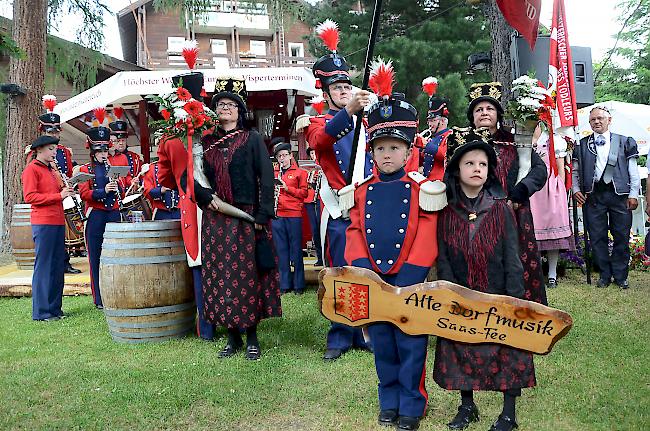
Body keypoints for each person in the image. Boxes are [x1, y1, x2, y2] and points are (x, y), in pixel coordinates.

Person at [344, 83, 447, 431]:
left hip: (409, 282)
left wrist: (410, 277)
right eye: (380, 148)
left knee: (411, 344)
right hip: (373, 280)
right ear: (372, 152)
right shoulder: (361, 192)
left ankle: (412, 403)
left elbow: (427, 235)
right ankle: (388, 399)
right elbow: (355, 231)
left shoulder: (423, 189)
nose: (387, 154)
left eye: (395, 147)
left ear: (408, 152)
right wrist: (363, 271)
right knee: (383, 344)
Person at [435, 131, 533, 431]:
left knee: (507, 347)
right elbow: (443, 255)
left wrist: (514, 298)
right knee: (462, 343)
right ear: (456, 170)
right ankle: (467, 405)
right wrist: (451, 291)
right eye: (470, 163)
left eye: (483, 164)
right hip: (461, 291)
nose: (477, 168)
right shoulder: (446, 211)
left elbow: (512, 255)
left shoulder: (500, 208)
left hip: (498, 291)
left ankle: (508, 413)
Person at [298, 19, 373, 361]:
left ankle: (364, 330)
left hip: (366, 204)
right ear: (326, 93)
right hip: (337, 206)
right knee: (339, 270)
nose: (344, 91)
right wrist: (348, 112)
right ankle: (340, 335)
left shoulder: (369, 122)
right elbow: (321, 140)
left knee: (365, 270)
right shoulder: (317, 121)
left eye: (347, 86)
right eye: (337, 88)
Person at [194, 76, 281, 360]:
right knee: (221, 277)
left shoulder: (252, 139)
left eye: (232, 104)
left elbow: (266, 178)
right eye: (221, 104)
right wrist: (202, 195)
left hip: (246, 217)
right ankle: (231, 338)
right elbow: (193, 176)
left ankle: (252, 336)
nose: (226, 108)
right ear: (215, 110)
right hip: (217, 218)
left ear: (240, 111)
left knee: (247, 278)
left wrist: (262, 213)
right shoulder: (204, 143)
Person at [461, 82, 548, 305]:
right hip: (473, 217)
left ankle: (522, 316)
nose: (484, 113)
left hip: (514, 214)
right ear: (472, 116)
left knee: (516, 266)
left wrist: (520, 193)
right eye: (478, 110)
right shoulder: (462, 142)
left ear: (498, 114)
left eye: (489, 109)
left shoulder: (514, 140)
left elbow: (539, 170)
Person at [157, 68, 215, 341]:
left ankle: (205, 327)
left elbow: (164, 177)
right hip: (218, 202)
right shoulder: (213, 126)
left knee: (199, 263)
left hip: (189, 205)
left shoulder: (169, 136)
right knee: (221, 260)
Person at [572, 106, 640, 289]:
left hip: (619, 195)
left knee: (622, 236)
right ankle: (604, 275)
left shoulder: (625, 142)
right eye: (593, 119)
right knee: (597, 237)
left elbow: (633, 170)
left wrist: (634, 193)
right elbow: (575, 171)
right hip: (593, 195)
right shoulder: (581, 144)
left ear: (609, 120)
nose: (597, 122)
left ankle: (620, 276)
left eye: (600, 118)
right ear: (589, 122)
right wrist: (575, 189)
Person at [25, 95, 81, 274]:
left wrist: (72, 185)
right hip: (48, 204)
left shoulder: (64, 152)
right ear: (43, 131)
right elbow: (33, 183)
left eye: (56, 132)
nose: (54, 135)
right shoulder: (35, 154)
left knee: (64, 230)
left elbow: (69, 173)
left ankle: (66, 259)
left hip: (62, 195)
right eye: (50, 132)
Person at [22, 135, 74, 321]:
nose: (55, 152)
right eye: (51, 149)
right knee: (44, 267)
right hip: (43, 222)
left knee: (57, 265)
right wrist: (58, 196)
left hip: (57, 220)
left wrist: (67, 189)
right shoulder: (32, 170)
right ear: (40, 150)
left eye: (55, 149)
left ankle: (55, 309)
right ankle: (42, 311)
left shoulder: (51, 169)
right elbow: (30, 197)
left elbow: (57, 191)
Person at [78, 126, 124, 309]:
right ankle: (99, 298)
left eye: (106, 150)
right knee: (96, 256)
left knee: (116, 255)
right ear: (92, 151)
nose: (104, 154)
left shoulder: (113, 168)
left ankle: (115, 293)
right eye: (100, 151)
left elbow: (124, 187)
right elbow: (84, 194)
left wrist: (119, 186)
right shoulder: (84, 168)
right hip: (96, 214)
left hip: (113, 212)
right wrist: (102, 191)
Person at [529, 125, 575, 288]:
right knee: (529, 231)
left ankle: (552, 274)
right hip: (529, 187)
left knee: (553, 230)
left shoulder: (553, 140)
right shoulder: (521, 138)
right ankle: (534, 271)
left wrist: (559, 192)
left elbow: (560, 168)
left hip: (550, 186)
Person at [271, 139, 309, 295]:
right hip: (277, 215)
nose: (282, 159)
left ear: (291, 155)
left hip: (294, 215)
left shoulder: (301, 173)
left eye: (285, 155)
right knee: (281, 251)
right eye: (280, 156)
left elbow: (304, 194)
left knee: (296, 251)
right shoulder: (274, 173)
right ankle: (285, 285)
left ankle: (299, 285)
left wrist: (287, 188)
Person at [411, 77, 451, 180]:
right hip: (427, 183)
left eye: (433, 120)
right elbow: (420, 162)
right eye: (429, 120)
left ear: (442, 121)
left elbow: (446, 156)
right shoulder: (431, 139)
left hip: (442, 183)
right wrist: (415, 147)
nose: (430, 124)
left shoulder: (451, 135)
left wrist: (426, 145)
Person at [109, 110, 142, 190]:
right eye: (118, 141)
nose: (121, 143)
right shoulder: (107, 158)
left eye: (123, 140)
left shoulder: (135, 157)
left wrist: (135, 182)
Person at [304, 147, 324, 266]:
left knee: (323, 230)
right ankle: (320, 257)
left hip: (321, 201)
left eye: (314, 152)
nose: (313, 155)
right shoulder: (310, 170)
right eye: (311, 153)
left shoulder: (324, 167)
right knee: (315, 231)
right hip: (311, 201)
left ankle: (326, 257)